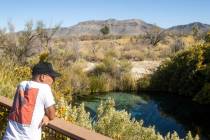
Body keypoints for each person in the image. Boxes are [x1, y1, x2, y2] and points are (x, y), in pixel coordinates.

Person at [3, 61, 61, 140]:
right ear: (42, 77)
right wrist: (47, 116)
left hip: (9, 136)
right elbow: (52, 114)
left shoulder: (22, 84)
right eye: (52, 77)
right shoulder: (45, 88)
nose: (54, 80)